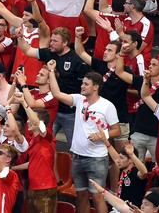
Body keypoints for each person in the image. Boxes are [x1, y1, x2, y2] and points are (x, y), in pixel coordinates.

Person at [48, 65, 120, 213]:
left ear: (96, 87)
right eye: (82, 83)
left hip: (97, 158)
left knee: (97, 197)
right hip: (77, 156)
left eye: (86, 84)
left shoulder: (107, 106)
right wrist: (51, 71)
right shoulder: (79, 100)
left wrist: (102, 135)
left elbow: (117, 130)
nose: (82, 86)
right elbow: (56, 93)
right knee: (81, 196)